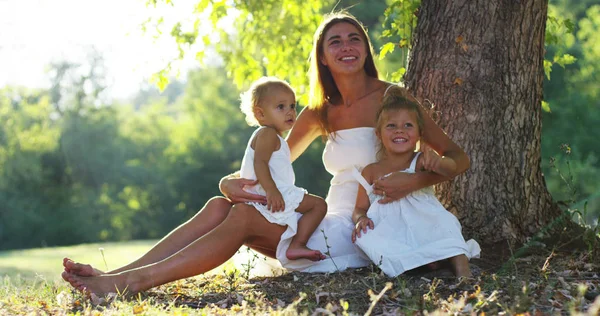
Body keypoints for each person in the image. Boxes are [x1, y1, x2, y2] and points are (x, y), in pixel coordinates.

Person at [61, 11, 471, 296]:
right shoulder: (317, 111)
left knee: (241, 217)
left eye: (354, 39)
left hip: (366, 225)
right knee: (220, 205)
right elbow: (270, 163)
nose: (347, 47)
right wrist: (230, 182)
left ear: (366, 47)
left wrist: (414, 180)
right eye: (335, 41)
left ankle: (127, 285)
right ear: (323, 56)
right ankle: (114, 275)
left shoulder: (394, 100)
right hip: (329, 215)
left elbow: (457, 157)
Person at [350, 86, 480, 278]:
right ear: (379, 134)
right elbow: (359, 208)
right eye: (391, 126)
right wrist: (361, 219)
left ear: (419, 134)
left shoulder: (420, 161)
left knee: (445, 225)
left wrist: (439, 162)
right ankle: (418, 265)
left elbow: (452, 169)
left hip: (426, 221)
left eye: (408, 125)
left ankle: (462, 273)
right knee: (367, 238)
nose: (399, 131)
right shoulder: (371, 171)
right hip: (391, 228)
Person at [237, 76, 327, 262]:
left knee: (311, 207)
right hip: (269, 189)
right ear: (260, 114)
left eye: (292, 106)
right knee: (318, 205)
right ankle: (297, 244)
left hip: (270, 189)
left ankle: (295, 241)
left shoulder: (273, 137)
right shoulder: (268, 134)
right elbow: (259, 163)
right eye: (281, 107)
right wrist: (272, 190)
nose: (290, 112)